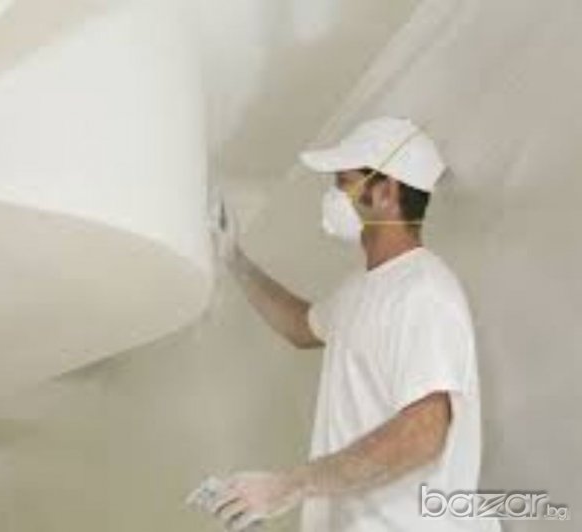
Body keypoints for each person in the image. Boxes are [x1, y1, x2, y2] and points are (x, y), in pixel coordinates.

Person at [200, 117, 500, 531]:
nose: (333, 196)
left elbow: (424, 432)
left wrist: (289, 486)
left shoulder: (424, 293)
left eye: (343, 183)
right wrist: (235, 260)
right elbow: (300, 326)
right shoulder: (360, 289)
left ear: (386, 193)